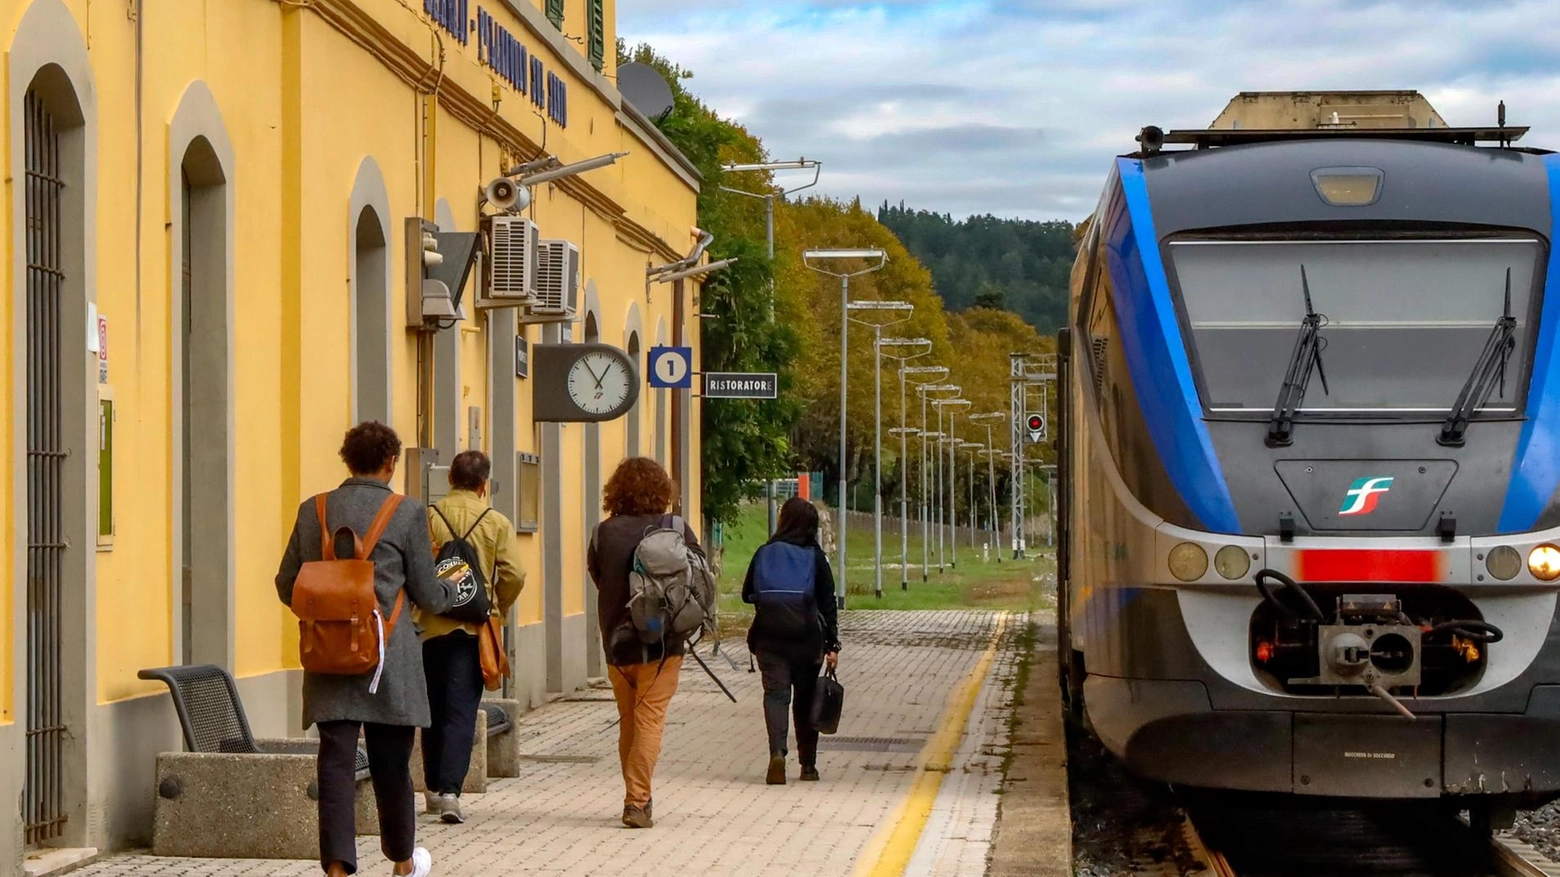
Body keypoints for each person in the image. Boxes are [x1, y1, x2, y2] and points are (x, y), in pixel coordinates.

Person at [275, 422, 456, 877]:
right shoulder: (408, 512)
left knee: (334, 763)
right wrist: (452, 592)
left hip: (328, 653)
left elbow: (286, 583)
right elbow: (428, 594)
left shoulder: (312, 510)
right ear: (391, 463)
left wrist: (329, 611)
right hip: (387, 658)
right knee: (392, 763)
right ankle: (401, 861)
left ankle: (337, 867)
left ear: (348, 460)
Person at [586, 457, 705, 829]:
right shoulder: (676, 528)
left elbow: (597, 576)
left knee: (630, 720)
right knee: (649, 719)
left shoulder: (603, 533)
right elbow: (699, 578)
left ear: (615, 491)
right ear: (662, 490)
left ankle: (637, 797)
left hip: (618, 642)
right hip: (664, 642)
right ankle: (637, 801)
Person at [420, 450, 526, 824]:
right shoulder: (495, 521)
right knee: (461, 710)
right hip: (473, 630)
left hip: (428, 627)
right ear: (484, 485)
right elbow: (514, 573)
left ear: (449, 477)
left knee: (430, 708)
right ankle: (451, 791)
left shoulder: (427, 516)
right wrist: (497, 607)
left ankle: (432, 787)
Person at [743, 497, 841, 785]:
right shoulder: (816, 557)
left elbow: (747, 592)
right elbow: (828, 602)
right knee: (805, 699)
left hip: (769, 638)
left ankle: (777, 753)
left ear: (783, 521)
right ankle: (808, 766)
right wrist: (832, 645)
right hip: (807, 640)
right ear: (811, 526)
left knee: (776, 694)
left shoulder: (764, 552)